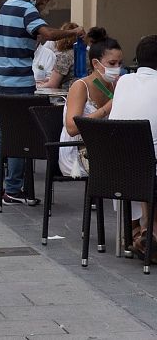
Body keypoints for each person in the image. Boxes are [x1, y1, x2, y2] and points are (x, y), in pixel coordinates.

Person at [0, 0, 85, 206]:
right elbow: (48, 34)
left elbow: (24, 36)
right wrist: (74, 31)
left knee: (0, 135)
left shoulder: (5, 5)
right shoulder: (27, 10)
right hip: (19, 84)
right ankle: (13, 189)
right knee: (21, 135)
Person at [109, 35, 157, 255]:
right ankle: (151, 233)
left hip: (114, 171)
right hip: (148, 171)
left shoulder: (124, 82)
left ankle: (141, 232)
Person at [58, 36, 121, 179]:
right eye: (112, 63)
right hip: (77, 153)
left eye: (120, 63)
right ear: (96, 64)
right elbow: (72, 128)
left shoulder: (111, 85)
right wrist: (107, 108)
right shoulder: (80, 86)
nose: (117, 68)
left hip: (102, 147)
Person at [39, 22, 79, 89]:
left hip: (66, 95)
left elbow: (52, 85)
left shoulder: (65, 57)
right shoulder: (87, 54)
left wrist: (37, 86)